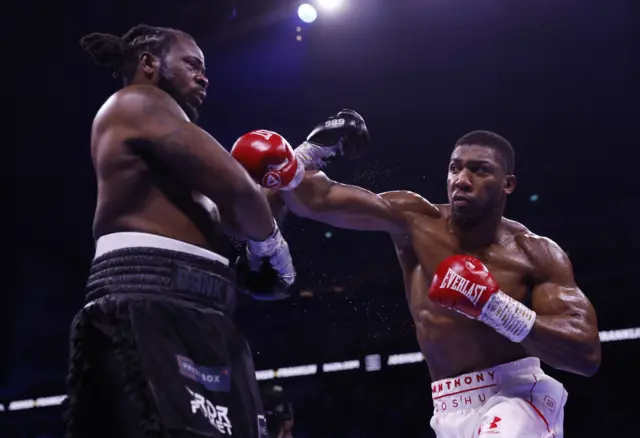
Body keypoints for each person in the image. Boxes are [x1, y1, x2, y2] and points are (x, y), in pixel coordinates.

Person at [66, 24, 361, 438]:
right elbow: (239, 191)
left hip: (198, 308)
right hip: (149, 301)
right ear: (149, 64)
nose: (204, 77)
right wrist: (274, 251)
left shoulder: (168, 146)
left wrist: (302, 159)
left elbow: (231, 214)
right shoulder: (137, 102)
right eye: (192, 65)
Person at [231, 122, 602, 437]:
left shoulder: (535, 253)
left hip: (520, 395)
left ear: (508, 184)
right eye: (455, 168)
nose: (462, 180)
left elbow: (586, 354)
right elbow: (316, 200)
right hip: (446, 407)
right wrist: (297, 160)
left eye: (480, 170)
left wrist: (496, 307)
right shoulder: (415, 221)